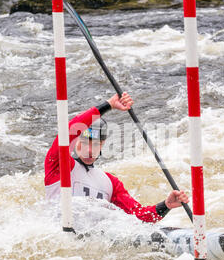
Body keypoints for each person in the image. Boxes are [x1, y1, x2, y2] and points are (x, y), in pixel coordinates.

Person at [44, 92, 189, 223]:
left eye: (96, 144)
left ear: (102, 144)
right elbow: (68, 131)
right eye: (84, 142)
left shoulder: (110, 183)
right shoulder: (60, 166)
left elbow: (139, 217)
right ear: (75, 142)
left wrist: (166, 205)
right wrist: (109, 105)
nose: (89, 150)